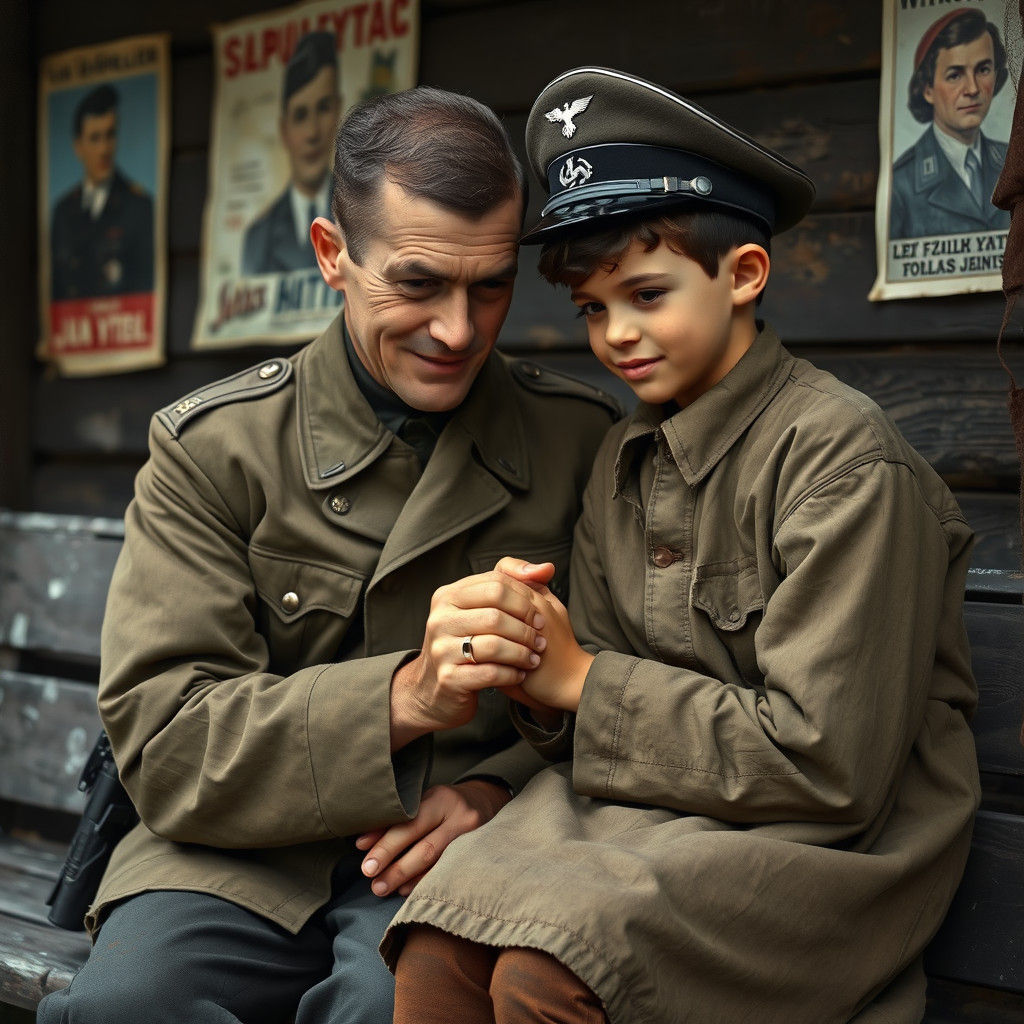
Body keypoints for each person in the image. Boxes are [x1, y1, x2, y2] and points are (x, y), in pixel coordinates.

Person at [382, 67, 981, 1024]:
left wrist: (583, 681)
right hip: (651, 816)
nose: (617, 335)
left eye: (648, 294)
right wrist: (535, 664)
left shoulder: (842, 461)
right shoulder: (627, 453)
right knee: (436, 947)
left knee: (549, 971)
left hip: (819, 851)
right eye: (591, 308)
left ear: (743, 274)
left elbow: (831, 766)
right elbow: (596, 697)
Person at [35, 86, 618, 1024]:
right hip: (226, 856)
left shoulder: (581, 441)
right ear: (332, 256)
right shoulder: (216, 447)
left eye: (491, 285)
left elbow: (626, 684)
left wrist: (491, 791)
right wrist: (406, 699)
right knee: (131, 1009)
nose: (459, 331)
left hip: (451, 855)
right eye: (419, 283)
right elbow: (170, 742)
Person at [890, 8, 1010, 239]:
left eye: (983, 69)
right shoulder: (901, 184)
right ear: (927, 89)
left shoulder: (1012, 162)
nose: (973, 89)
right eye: (955, 75)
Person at [242, 31, 342, 275]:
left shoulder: (362, 219)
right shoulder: (258, 238)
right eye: (300, 115)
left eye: (323, 108)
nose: (312, 132)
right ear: (284, 130)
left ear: (339, 112)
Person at [50, 83, 154, 301]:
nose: (104, 149)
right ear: (78, 146)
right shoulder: (63, 211)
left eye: (110, 135)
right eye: (95, 138)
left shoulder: (140, 207)